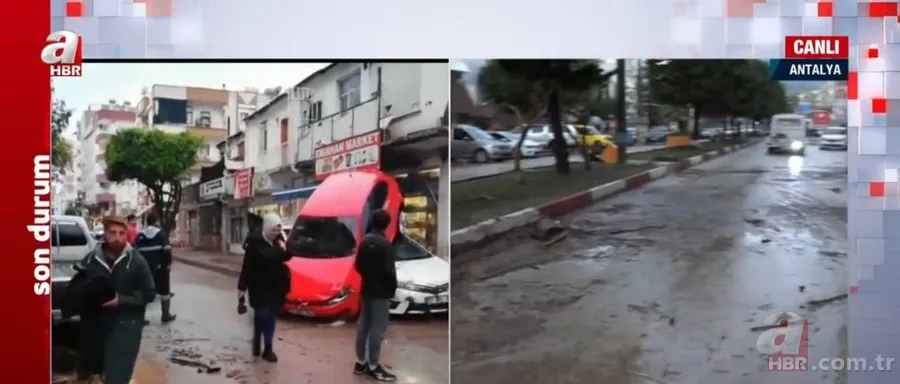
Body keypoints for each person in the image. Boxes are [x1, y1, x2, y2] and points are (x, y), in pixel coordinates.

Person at [73, 216, 156, 384]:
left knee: (118, 376)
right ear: (104, 234)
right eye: (113, 233)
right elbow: (78, 290)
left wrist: (122, 300)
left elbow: (149, 293)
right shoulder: (90, 260)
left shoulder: (136, 261)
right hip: (96, 328)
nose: (117, 238)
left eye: (122, 233)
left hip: (125, 328)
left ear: (127, 235)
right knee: (95, 374)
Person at [238, 213, 291, 363]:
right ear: (267, 228)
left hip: (276, 289)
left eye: (277, 231)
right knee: (264, 316)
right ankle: (260, 341)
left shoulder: (279, 243)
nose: (275, 234)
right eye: (273, 230)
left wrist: (285, 248)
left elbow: (287, 257)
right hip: (259, 288)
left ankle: (267, 348)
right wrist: (242, 289)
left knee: (271, 318)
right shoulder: (255, 244)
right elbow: (246, 268)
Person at [353, 209, 398, 382]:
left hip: (367, 288)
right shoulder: (384, 244)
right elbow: (389, 271)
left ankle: (360, 362)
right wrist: (391, 289)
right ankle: (373, 366)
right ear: (386, 224)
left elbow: (358, 266)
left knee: (363, 325)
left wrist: (368, 276)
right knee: (377, 328)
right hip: (381, 292)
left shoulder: (365, 241)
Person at [133, 212, 176, 323]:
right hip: (160, 267)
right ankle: (165, 314)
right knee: (165, 291)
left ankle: (141, 317)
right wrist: (168, 263)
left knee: (143, 291)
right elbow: (167, 249)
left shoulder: (140, 235)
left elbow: (135, 253)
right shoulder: (161, 234)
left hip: (144, 269)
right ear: (156, 221)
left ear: (146, 221)